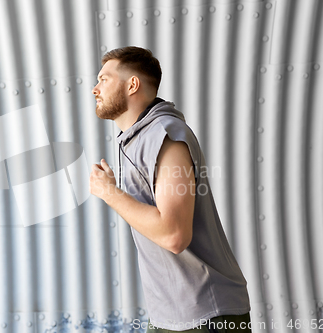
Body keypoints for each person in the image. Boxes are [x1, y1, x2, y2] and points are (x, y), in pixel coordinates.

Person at [89, 46, 252, 333]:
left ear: (132, 84)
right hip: (170, 314)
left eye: (104, 79)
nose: (95, 88)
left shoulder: (165, 135)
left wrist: (109, 192)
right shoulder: (136, 139)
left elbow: (174, 235)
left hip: (206, 316)